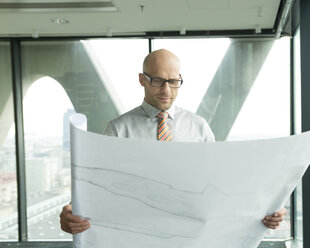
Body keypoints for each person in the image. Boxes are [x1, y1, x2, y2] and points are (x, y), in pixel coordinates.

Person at [60, 49, 287, 234]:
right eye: (158, 81)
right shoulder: (119, 129)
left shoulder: (199, 127)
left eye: (173, 81)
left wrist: (263, 209)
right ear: (142, 80)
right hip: (141, 233)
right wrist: (73, 211)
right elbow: (98, 186)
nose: (166, 90)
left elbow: (218, 184)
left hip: (189, 233)